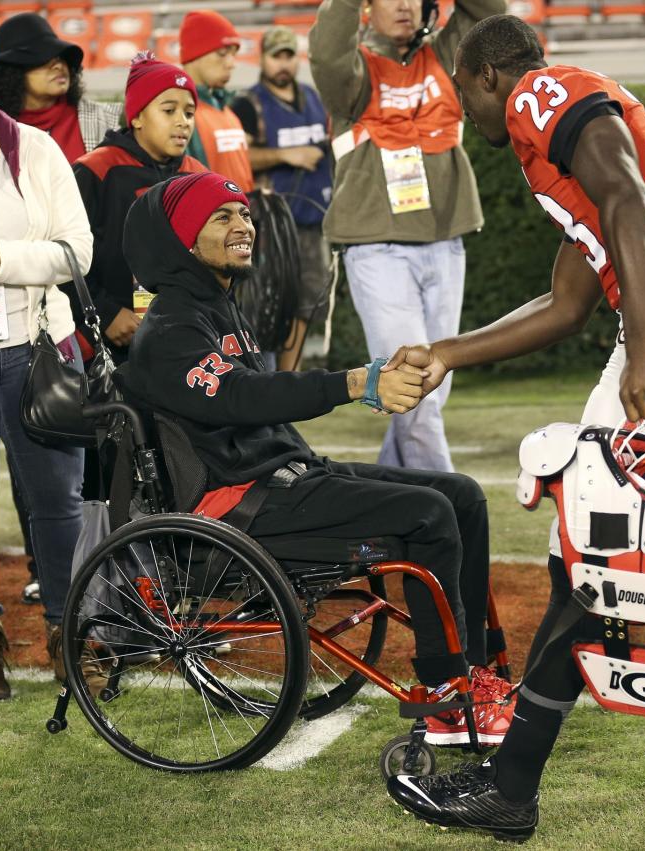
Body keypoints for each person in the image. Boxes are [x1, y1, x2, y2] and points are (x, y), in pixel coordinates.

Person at [384, 14, 645, 839]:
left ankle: (512, 787)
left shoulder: (542, 96)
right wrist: (448, 350)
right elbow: (568, 301)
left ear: (482, 76)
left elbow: (628, 199)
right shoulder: (568, 138)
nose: (460, 104)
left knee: (595, 549)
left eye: (457, 85)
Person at [122, 171, 513, 744]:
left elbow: (260, 407)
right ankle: (446, 699)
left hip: (283, 480)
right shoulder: (170, 328)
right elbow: (243, 397)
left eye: (244, 214)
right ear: (183, 239)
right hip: (237, 507)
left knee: (462, 494)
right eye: (222, 217)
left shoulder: (222, 308)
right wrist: (354, 382)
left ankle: (475, 670)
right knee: (428, 514)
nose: (243, 225)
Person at [309, 0, 505, 473]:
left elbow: (489, 13)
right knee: (413, 387)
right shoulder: (352, 71)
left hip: (445, 242)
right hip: (377, 247)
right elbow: (326, 52)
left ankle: (389, 510)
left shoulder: (447, 55)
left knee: (428, 392)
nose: (403, 4)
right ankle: (451, 513)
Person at [0, 70, 92, 701]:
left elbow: (78, 253)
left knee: (56, 501)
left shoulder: (37, 151)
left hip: (37, 349)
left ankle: (69, 632)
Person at [72, 53, 204, 368]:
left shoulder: (199, 176)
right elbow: (65, 257)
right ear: (137, 117)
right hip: (110, 344)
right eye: (169, 110)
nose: (182, 122)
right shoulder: (95, 171)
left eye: (189, 112)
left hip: (185, 341)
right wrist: (105, 313)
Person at [231, 27, 334, 372]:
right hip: (268, 228)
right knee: (265, 310)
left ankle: (289, 385)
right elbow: (238, 155)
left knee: (306, 309)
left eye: (289, 55)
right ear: (262, 58)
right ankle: (263, 383)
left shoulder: (314, 98)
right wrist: (287, 155)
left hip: (311, 223)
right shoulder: (248, 104)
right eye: (276, 55)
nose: (283, 63)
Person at [0, 13, 122, 164]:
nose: (58, 66)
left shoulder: (103, 121)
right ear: (11, 73)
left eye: (61, 57)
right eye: (42, 58)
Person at [180, 10, 253, 193]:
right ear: (194, 55)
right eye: (222, 53)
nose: (231, 63)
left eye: (233, 54)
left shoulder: (227, 111)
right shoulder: (181, 114)